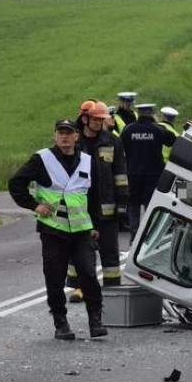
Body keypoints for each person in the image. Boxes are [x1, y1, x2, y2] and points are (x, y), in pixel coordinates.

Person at [8, 118, 107, 340]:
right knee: (55, 279)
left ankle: (96, 321)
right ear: (55, 136)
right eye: (60, 133)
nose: (64, 136)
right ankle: (61, 324)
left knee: (89, 275)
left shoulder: (87, 161)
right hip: (53, 231)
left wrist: (96, 225)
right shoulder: (42, 159)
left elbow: (95, 194)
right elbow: (16, 183)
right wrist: (35, 205)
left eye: (68, 133)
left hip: (82, 231)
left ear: (76, 136)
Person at [67, 100, 128, 302]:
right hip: (81, 207)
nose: (98, 123)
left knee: (110, 251)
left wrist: (122, 205)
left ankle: (112, 289)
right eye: (94, 119)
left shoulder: (112, 141)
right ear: (84, 119)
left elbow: (120, 175)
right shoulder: (75, 143)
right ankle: (81, 288)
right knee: (81, 250)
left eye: (101, 119)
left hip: (106, 207)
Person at [121, 103, 176, 240]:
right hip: (153, 174)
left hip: (133, 173)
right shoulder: (158, 129)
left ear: (138, 113)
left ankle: (134, 234)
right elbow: (172, 141)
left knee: (133, 204)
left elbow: (121, 146)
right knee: (150, 204)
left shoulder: (128, 130)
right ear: (152, 113)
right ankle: (151, 234)